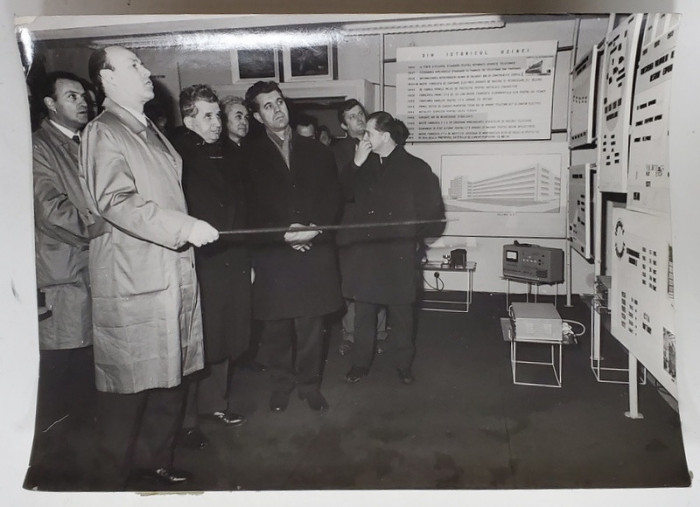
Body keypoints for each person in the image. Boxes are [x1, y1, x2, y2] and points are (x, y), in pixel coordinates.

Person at [80, 46, 219, 489]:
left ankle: (153, 465)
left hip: (167, 270)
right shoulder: (103, 131)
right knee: (130, 387)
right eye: (134, 65)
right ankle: (110, 485)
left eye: (142, 63)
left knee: (169, 377)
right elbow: (115, 201)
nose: (147, 71)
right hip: (134, 275)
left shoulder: (148, 129)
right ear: (107, 80)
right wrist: (185, 226)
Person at [243, 81, 343, 412]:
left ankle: (309, 385)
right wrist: (283, 234)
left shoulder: (317, 150)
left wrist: (313, 230)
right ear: (257, 116)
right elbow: (247, 208)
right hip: (274, 253)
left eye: (279, 101)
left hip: (313, 249)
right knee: (276, 328)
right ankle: (281, 384)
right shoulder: (246, 155)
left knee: (312, 327)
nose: (277, 109)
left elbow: (333, 198)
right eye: (268, 106)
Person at [337, 111, 445, 385]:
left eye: (369, 133)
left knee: (402, 314)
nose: (364, 138)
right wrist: (356, 165)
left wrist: (410, 239)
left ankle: (403, 365)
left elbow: (433, 216)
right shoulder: (362, 164)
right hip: (366, 256)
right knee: (364, 314)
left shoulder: (417, 169)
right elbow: (341, 197)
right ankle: (360, 364)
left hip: (399, 255)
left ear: (385, 136)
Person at [171, 84, 250, 449]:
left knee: (225, 334)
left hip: (231, 259)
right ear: (188, 119)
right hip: (195, 261)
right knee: (196, 340)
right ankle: (186, 422)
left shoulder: (229, 154)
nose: (217, 122)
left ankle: (216, 404)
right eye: (208, 116)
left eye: (218, 114)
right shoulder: (175, 153)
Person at [32, 71, 104, 434]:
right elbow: (51, 211)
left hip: (91, 269)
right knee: (65, 364)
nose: (83, 102)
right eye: (72, 96)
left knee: (89, 364)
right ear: (50, 104)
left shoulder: (86, 141)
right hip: (64, 274)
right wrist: (103, 229)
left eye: (84, 96)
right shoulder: (37, 147)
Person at [332, 99, 388, 357]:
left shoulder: (381, 144)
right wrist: (357, 161)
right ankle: (351, 336)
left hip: (377, 228)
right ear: (344, 125)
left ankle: (378, 334)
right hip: (350, 230)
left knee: (378, 281)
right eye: (352, 117)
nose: (359, 119)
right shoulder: (337, 151)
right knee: (351, 286)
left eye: (361, 114)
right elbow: (340, 191)